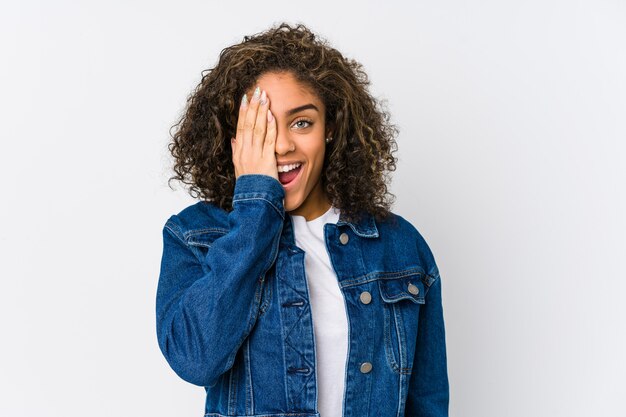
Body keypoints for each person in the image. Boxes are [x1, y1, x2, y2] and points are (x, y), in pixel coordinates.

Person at [156, 22, 449, 417]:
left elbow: (426, 402)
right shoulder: (196, 235)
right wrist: (257, 204)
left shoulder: (399, 247)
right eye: (263, 126)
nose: (281, 145)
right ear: (233, 138)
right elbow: (195, 359)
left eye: (302, 122)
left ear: (330, 129)